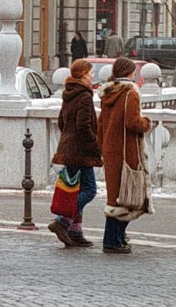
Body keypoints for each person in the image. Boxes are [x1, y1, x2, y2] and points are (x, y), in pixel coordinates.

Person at [97, 57, 152, 253]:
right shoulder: (130, 93)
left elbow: (100, 124)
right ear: (130, 73)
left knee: (115, 197)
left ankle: (114, 239)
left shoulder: (107, 93)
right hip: (127, 150)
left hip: (110, 150)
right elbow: (133, 123)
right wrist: (147, 122)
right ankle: (113, 240)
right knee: (132, 196)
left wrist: (102, 145)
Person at [48, 59, 102, 248]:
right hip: (80, 150)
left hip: (68, 147)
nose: (93, 75)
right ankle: (62, 221)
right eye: (90, 72)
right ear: (82, 75)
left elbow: (62, 122)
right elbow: (83, 125)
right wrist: (95, 143)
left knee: (75, 190)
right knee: (89, 190)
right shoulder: (85, 96)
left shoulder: (69, 93)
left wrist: (68, 139)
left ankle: (75, 231)